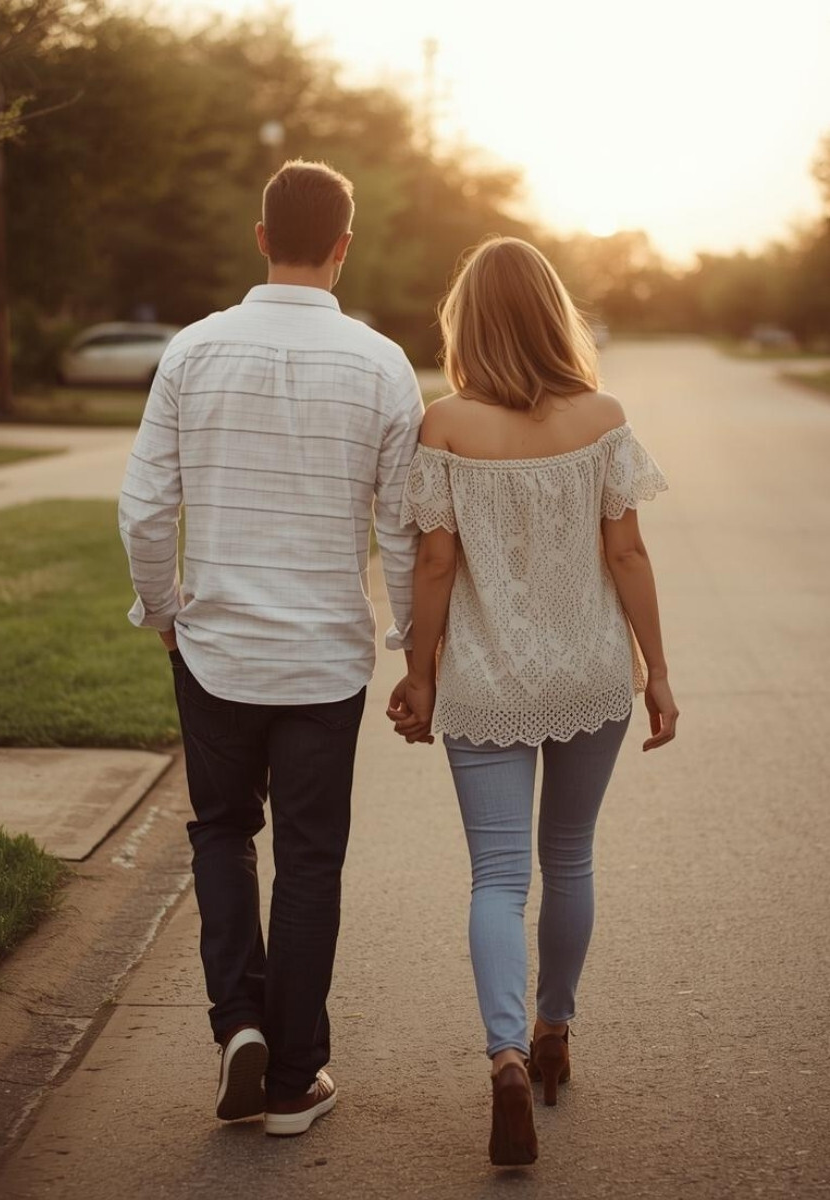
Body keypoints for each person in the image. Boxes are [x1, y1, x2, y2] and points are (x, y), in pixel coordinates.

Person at [119, 160, 423, 1137]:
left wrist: (161, 607)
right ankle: (294, 1079)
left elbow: (143, 509)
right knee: (310, 860)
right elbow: (406, 529)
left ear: (261, 238)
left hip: (215, 652)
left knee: (219, 833)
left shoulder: (193, 352)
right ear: (344, 244)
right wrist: (410, 644)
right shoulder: (381, 364)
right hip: (325, 658)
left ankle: (238, 1022)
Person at [387, 236, 678, 1167]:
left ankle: (506, 1059)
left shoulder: (446, 426)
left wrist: (420, 673)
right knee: (571, 858)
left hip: (484, 679)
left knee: (498, 877)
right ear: (556, 316)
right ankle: (557, 1029)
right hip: (592, 673)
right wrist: (658, 670)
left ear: (465, 324)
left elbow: (435, 563)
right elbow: (627, 555)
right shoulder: (603, 416)